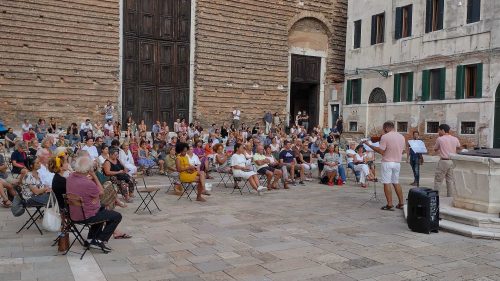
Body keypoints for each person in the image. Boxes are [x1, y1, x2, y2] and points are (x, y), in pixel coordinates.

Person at [66, 156, 122, 252]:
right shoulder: (87, 183)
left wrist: (95, 198)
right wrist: (95, 177)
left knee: (102, 209)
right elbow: (101, 192)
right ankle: (100, 240)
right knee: (116, 216)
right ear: (88, 169)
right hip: (86, 215)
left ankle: (91, 239)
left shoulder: (70, 177)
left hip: (74, 214)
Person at [364, 121, 405, 211]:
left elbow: (381, 151)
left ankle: (389, 204)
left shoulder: (385, 137)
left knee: (387, 182)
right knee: (396, 182)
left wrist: (369, 145)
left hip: (387, 162)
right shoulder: (401, 136)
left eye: (383, 129)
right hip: (397, 162)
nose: (383, 131)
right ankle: (401, 203)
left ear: (386, 128)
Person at [434, 124, 461, 197]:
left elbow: (435, 149)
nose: (438, 132)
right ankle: (450, 197)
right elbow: (458, 147)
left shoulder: (440, 139)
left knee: (438, 181)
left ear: (443, 130)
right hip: (452, 161)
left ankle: (435, 198)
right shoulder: (455, 139)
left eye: (439, 130)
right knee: (450, 181)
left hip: (443, 160)